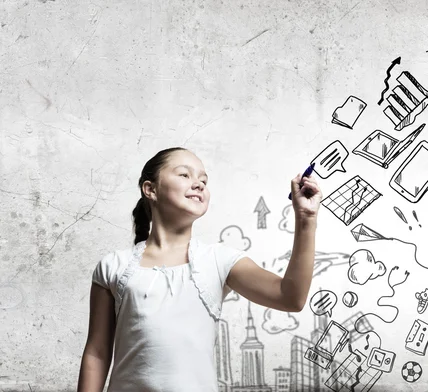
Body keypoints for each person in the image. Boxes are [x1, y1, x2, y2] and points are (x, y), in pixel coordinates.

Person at [77, 147, 322, 392]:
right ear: (151, 189)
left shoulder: (219, 260)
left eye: (203, 180)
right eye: (185, 175)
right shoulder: (113, 266)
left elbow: (290, 297)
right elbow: (97, 353)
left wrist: (306, 218)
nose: (198, 184)